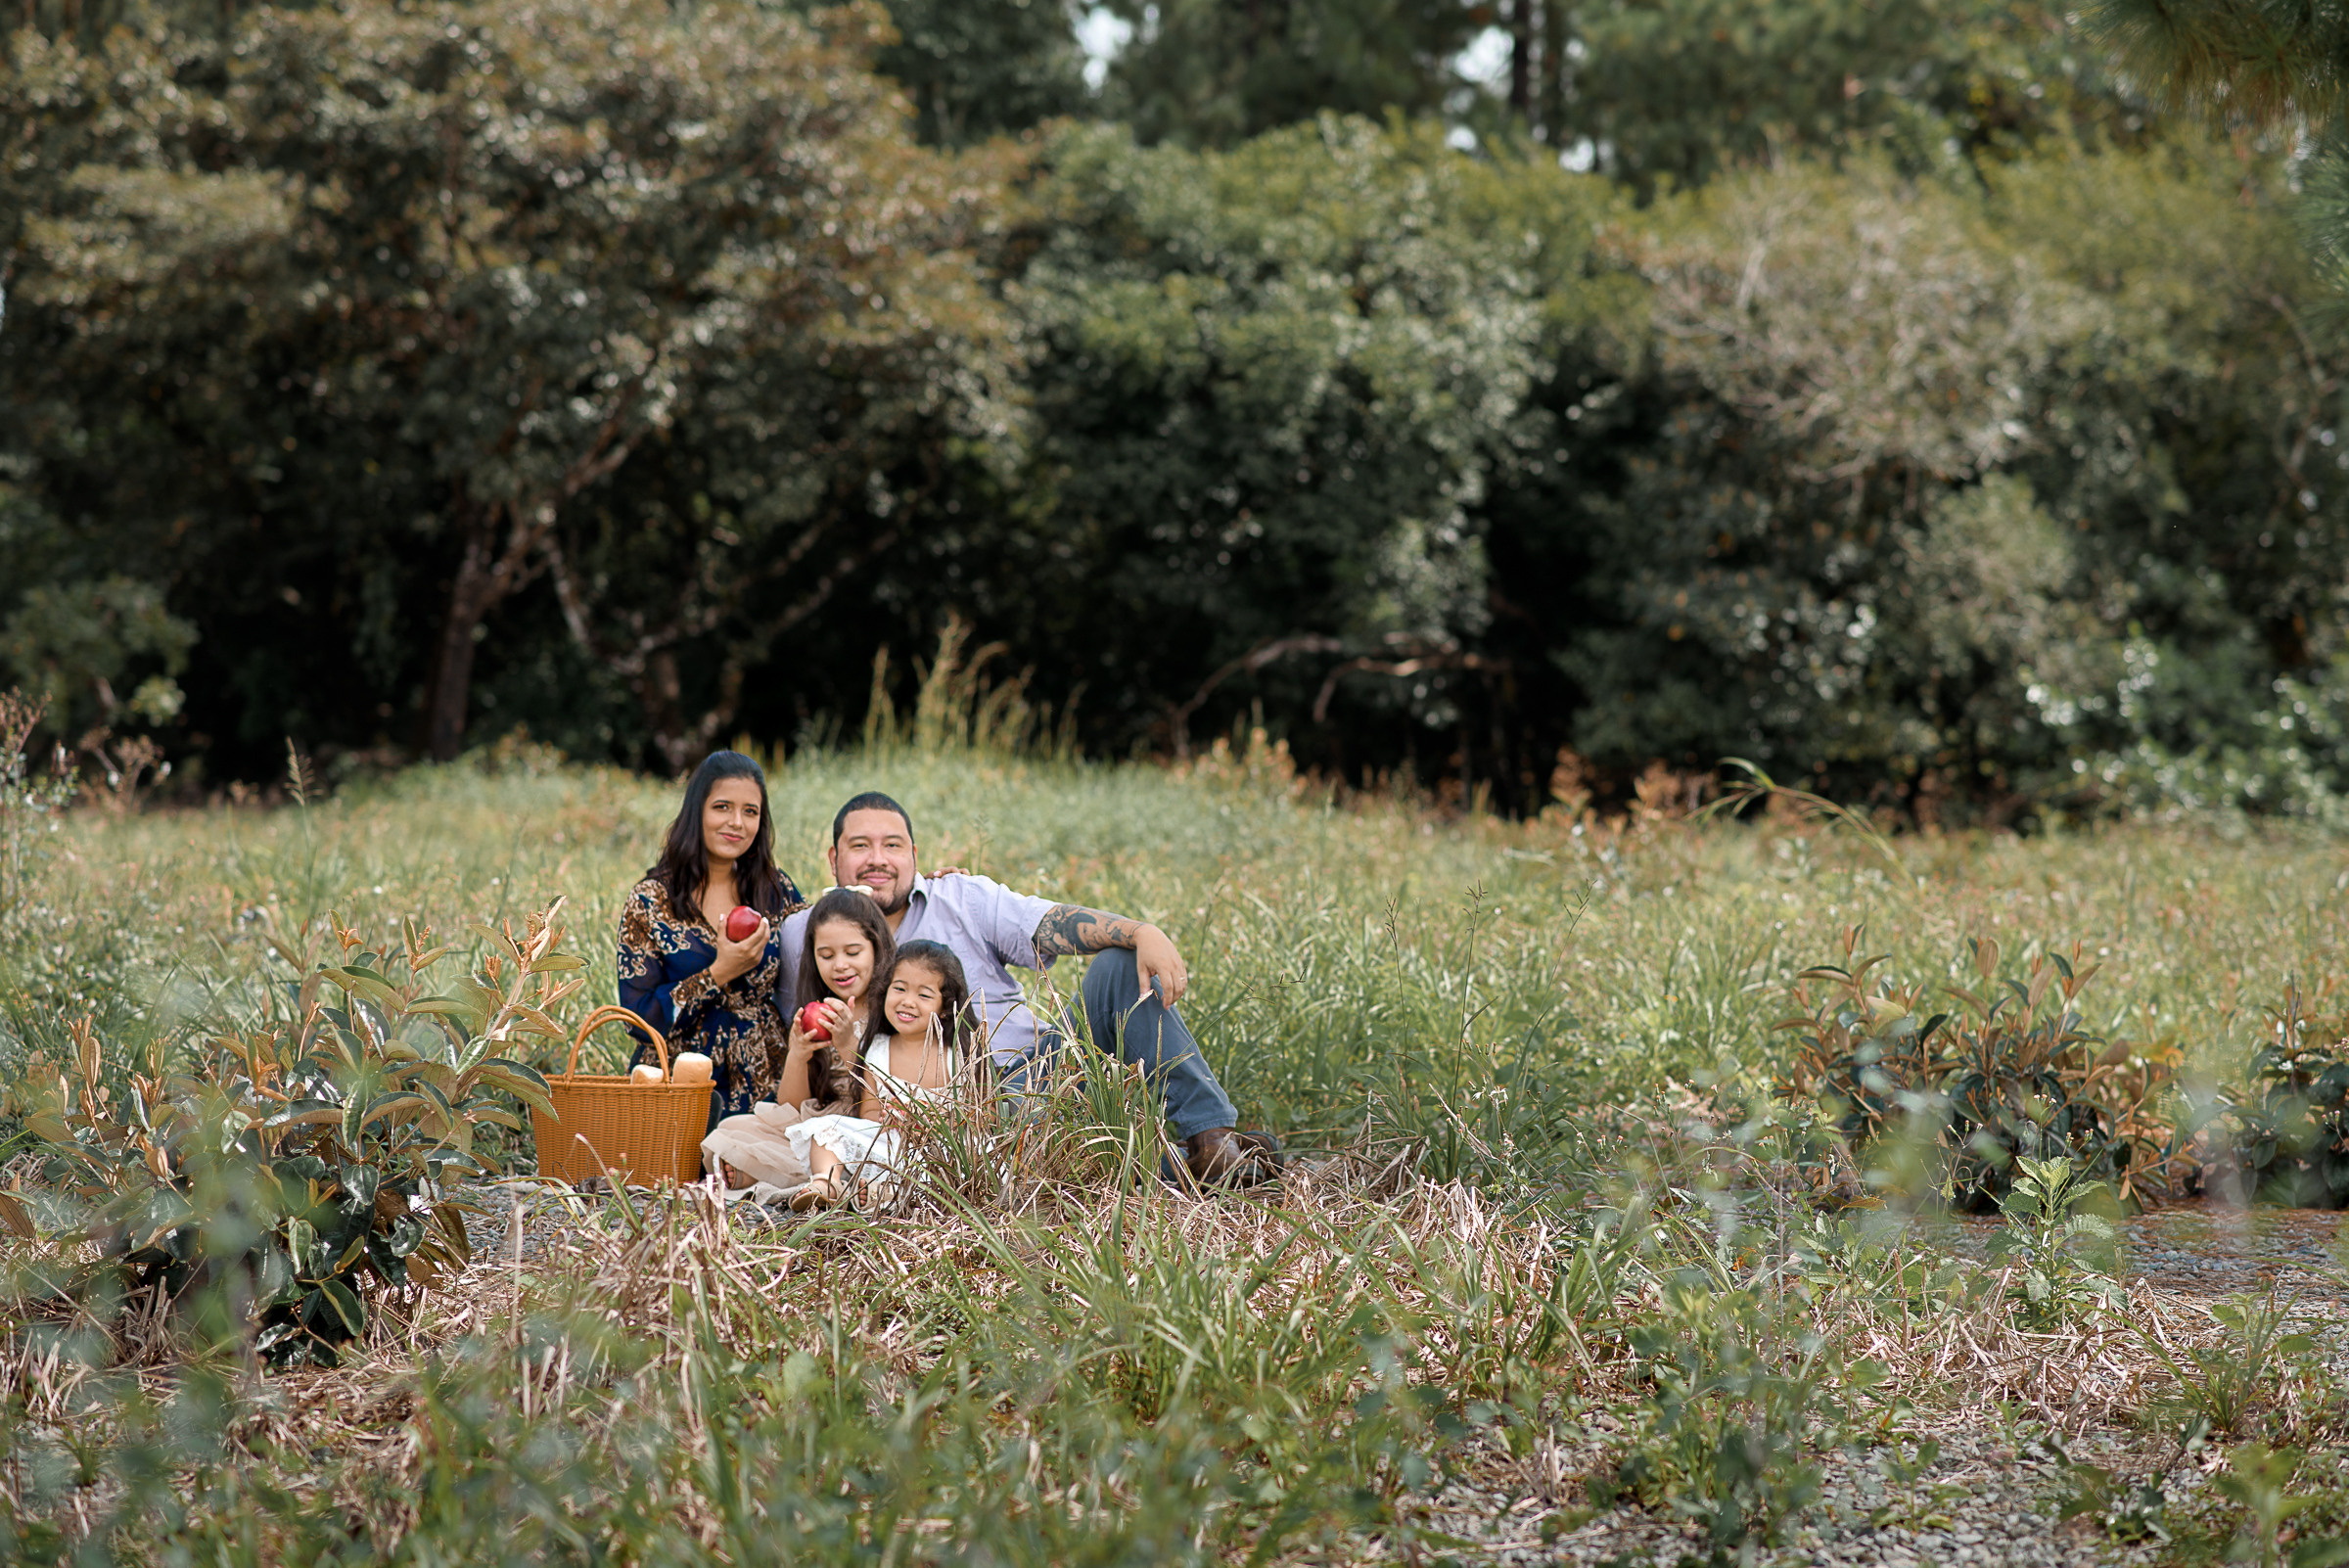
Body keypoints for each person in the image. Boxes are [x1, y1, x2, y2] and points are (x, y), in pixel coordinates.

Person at [774, 791, 1279, 1187]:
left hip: (1043, 1068)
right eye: (860, 846)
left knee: (1117, 964)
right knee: (1016, 1150)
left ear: (914, 856)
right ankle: (1175, 1168)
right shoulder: (805, 934)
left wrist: (1141, 931)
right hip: (962, 1103)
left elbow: (1048, 922)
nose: (877, 859)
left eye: (893, 845)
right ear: (833, 859)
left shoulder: (963, 898)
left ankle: (1210, 1138)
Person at [617, 751, 802, 1129]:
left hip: (766, 1080)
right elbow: (638, 1020)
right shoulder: (652, 900)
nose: (737, 822)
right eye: (722, 807)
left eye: (750, 812)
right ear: (697, 810)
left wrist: (924, 882)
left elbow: (831, 939)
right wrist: (718, 972)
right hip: (681, 1085)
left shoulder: (774, 889)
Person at [702, 886, 882, 1191]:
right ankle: (792, 1173)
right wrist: (798, 1055)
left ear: (877, 949)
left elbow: (881, 1097)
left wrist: (847, 1043)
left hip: (865, 1127)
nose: (839, 965)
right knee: (734, 1127)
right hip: (816, 1122)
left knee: (824, 1142)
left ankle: (786, 1174)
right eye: (826, 955)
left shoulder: (887, 1010)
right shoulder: (818, 1009)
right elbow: (791, 1106)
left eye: (853, 953)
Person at [784, 939, 973, 1210]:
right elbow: (869, 1114)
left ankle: (881, 1194)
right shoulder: (879, 1050)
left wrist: (928, 1123)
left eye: (924, 995)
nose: (907, 1002)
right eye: (899, 989)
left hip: (936, 1153)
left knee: (944, 1167)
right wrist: (886, 1119)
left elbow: (979, 1118)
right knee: (826, 1129)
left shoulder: (956, 1056)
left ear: (945, 1008)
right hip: (886, 1144)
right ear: (885, 991)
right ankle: (826, 1181)